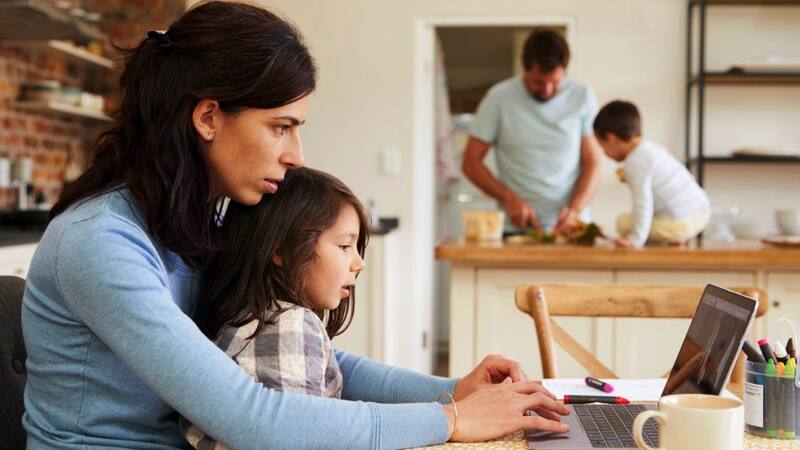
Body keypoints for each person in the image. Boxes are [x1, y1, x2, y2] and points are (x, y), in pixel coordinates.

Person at [21, 2, 570, 449]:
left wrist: (454, 391)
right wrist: (451, 420)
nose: (296, 155)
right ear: (208, 117)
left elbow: (311, 357)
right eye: (280, 127)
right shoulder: (101, 241)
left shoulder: (200, 221)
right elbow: (251, 417)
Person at [181, 168, 365, 448]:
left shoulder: (247, 318)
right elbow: (299, 439)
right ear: (281, 250)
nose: (359, 263)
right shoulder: (290, 324)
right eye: (344, 245)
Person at [461, 28, 602, 235]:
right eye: (538, 82)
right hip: (515, 229)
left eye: (555, 82)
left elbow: (593, 162)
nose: (547, 90)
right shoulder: (498, 98)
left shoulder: (582, 96)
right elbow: (470, 162)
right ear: (525, 69)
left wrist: (575, 209)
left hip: (570, 229)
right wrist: (509, 198)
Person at [593, 100, 710, 248]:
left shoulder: (635, 162)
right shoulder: (650, 148)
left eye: (602, 146)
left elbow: (643, 203)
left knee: (623, 223)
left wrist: (635, 240)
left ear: (611, 138)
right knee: (653, 216)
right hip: (701, 212)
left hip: (680, 224)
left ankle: (670, 238)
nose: (604, 153)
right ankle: (674, 239)